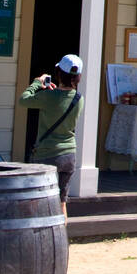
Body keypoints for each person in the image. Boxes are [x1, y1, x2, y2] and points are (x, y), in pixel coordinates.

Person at [18, 53, 84, 208]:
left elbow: (23, 100)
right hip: (68, 155)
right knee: (62, 202)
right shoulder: (79, 98)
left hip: (47, 154)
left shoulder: (47, 96)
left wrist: (36, 83)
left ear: (58, 74)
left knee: (39, 201)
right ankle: (63, 231)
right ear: (78, 77)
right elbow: (62, 100)